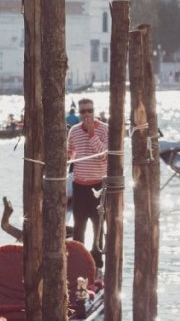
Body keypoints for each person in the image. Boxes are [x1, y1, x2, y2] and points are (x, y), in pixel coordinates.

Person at [66, 97, 107, 248]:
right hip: (79, 186)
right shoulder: (74, 130)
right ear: (79, 113)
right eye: (83, 111)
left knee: (99, 226)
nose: (87, 114)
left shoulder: (103, 129)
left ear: (94, 111)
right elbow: (69, 153)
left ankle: (97, 261)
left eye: (90, 110)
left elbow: (103, 155)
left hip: (98, 185)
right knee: (79, 228)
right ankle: (79, 260)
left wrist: (91, 134)